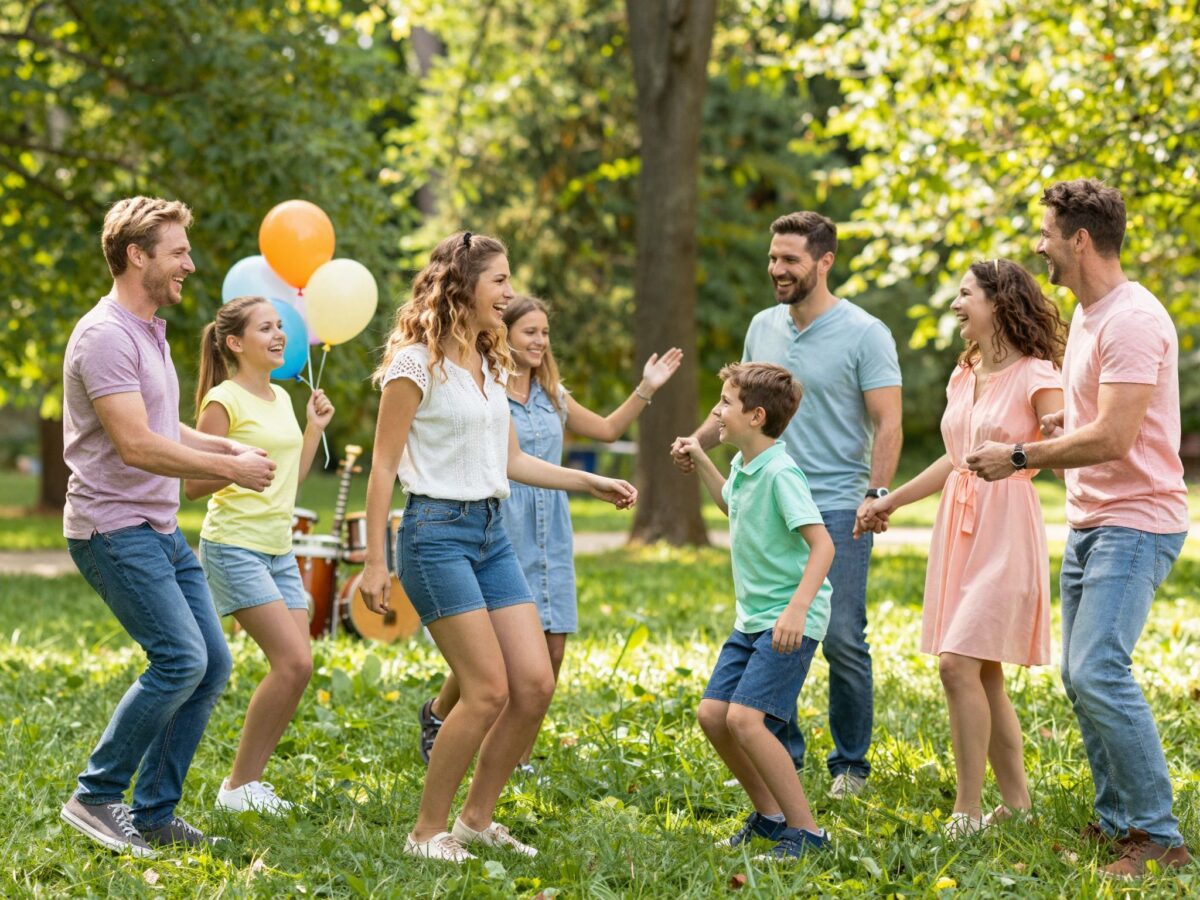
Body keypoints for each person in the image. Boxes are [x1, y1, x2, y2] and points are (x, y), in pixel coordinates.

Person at [359, 231, 638, 863]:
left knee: (534, 683)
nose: (510, 293)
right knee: (487, 689)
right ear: (464, 286)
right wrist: (376, 561)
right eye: (500, 280)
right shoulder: (414, 365)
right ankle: (426, 832)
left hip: (491, 535)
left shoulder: (491, 364)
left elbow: (510, 460)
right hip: (434, 535)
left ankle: (476, 821)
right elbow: (383, 467)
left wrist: (588, 482)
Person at [967, 179, 1191, 878]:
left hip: (1136, 520)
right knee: (1079, 673)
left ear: (1081, 239)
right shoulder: (1091, 317)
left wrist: (1020, 455)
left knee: (1098, 669)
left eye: (1046, 234)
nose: (1040, 246)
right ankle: (1119, 824)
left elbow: (1117, 438)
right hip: (1093, 518)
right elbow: (1101, 419)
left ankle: (1159, 839)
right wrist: (1068, 421)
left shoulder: (1132, 320)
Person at [59, 197, 276, 855]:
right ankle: (96, 796)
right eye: (178, 252)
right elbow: (135, 445)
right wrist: (231, 470)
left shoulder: (148, 330)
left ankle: (153, 813)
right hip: (111, 528)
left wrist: (224, 447)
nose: (190, 263)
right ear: (137, 255)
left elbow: (160, 425)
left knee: (210, 665)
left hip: (155, 527)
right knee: (180, 658)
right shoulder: (104, 337)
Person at [672, 211, 901, 797]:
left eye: (790, 259)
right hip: (768, 496)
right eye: (773, 257)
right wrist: (696, 443)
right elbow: (742, 404)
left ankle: (850, 766)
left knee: (842, 635)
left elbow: (888, 421)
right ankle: (781, 757)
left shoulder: (866, 332)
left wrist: (876, 495)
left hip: (837, 502)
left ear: (824, 262)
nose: (777, 268)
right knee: (776, 627)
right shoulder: (762, 326)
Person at [416, 295, 682, 769]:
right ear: (505, 334)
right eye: (530, 332)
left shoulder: (553, 396)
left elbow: (606, 429)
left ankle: (516, 759)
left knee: (553, 649)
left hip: (550, 532)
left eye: (545, 333)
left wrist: (646, 387)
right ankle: (439, 713)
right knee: (497, 649)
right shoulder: (486, 388)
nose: (540, 341)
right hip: (503, 526)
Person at [856, 260, 1065, 836]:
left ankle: (966, 811)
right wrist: (890, 501)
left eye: (966, 293)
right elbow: (955, 457)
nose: (955, 303)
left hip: (1006, 526)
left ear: (998, 302)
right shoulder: (964, 372)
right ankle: (1017, 806)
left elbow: (1060, 436)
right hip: (959, 523)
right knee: (983, 671)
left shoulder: (1037, 373)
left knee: (956, 664)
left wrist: (1057, 429)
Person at [676, 363, 835, 860]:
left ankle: (806, 832)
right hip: (753, 619)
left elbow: (823, 545)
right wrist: (701, 457)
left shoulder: (781, 473)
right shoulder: (747, 467)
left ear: (756, 416)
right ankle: (770, 816)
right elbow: (732, 504)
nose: (717, 411)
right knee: (713, 715)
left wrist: (796, 610)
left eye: (725, 402)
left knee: (746, 720)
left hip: (788, 620)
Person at [184, 296, 334, 814]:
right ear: (234, 342)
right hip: (234, 546)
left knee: (299, 667)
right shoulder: (223, 401)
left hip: (277, 547)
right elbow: (192, 483)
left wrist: (313, 429)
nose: (278, 335)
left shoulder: (281, 397)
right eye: (265, 328)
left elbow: (287, 479)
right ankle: (236, 787)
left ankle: (247, 784)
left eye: (279, 326)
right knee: (291, 662)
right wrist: (235, 469)